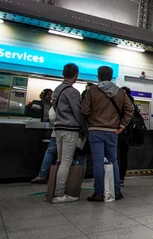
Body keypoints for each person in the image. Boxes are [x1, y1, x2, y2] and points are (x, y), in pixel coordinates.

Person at [81, 66, 133, 202]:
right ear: (112, 76)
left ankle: (98, 193)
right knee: (113, 160)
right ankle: (116, 191)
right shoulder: (120, 92)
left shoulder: (92, 91)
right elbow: (130, 109)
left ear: (98, 76)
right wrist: (122, 125)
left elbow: (85, 111)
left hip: (95, 130)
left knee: (98, 162)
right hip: (112, 131)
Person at [51, 64, 85, 203]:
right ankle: (60, 194)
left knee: (60, 160)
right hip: (69, 129)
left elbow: (55, 107)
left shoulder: (57, 89)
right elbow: (78, 112)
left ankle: (54, 191)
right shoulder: (73, 92)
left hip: (58, 128)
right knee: (66, 161)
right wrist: (84, 127)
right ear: (76, 75)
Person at [30, 88, 55, 184]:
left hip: (50, 130)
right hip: (40, 130)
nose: (49, 96)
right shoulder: (37, 103)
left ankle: (44, 175)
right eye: (48, 94)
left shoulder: (53, 106)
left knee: (49, 153)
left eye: (51, 95)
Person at [118, 86, 135, 186]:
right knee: (123, 156)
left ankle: (117, 176)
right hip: (126, 133)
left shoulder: (121, 101)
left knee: (116, 155)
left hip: (119, 131)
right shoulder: (131, 102)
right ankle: (121, 177)